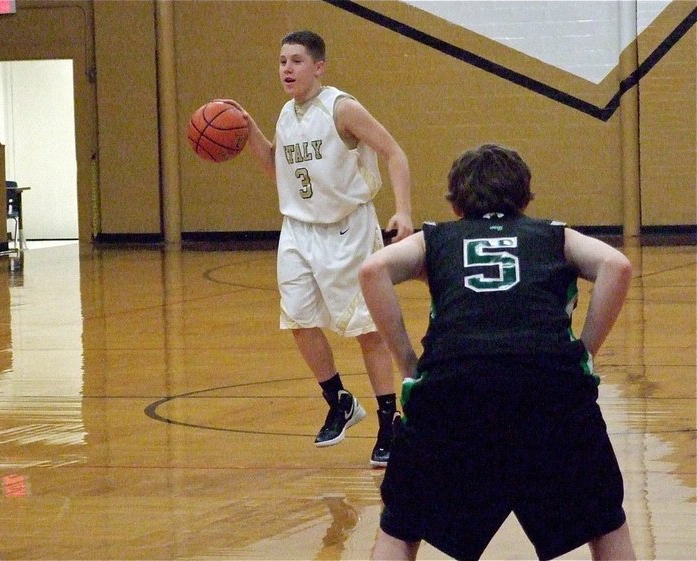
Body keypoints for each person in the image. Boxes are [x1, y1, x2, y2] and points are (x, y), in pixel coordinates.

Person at [359, 143, 636, 560]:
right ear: (525, 198)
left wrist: (409, 364)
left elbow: (372, 270)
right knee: (605, 522)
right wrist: (584, 352)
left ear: (455, 204)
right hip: (550, 388)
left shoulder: (436, 238)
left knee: (401, 525)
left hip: (452, 389)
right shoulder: (553, 234)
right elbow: (617, 266)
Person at [222, 30, 413, 466]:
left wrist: (403, 211)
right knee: (298, 320)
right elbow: (279, 170)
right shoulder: (287, 116)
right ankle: (339, 400)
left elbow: (394, 152)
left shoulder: (342, 108)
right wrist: (250, 131)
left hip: (347, 228)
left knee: (367, 330)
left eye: (296, 61)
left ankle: (389, 420)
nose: (286, 69)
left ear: (319, 66)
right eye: (282, 61)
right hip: (298, 230)